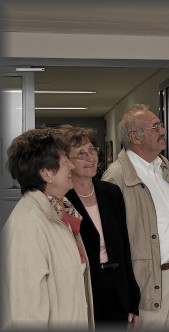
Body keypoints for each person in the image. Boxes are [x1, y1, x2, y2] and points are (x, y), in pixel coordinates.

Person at [102, 104, 169, 329]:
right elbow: (112, 240)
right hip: (146, 280)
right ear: (136, 137)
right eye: (156, 127)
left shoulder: (162, 165)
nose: (163, 131)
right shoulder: (116, 176)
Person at [0, 128, 94, 329]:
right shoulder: (27, 226)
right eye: (64, 161)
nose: (71, 165)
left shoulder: (60, 213)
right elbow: (25, 314)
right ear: (46, 173)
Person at [59, 125, 140, 329]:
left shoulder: (111, 193)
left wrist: (133, 298)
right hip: (85, 287)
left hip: (117, 287)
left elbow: (123, 247)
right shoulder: (62, 200)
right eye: (81, 154)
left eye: (92, 150)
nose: (91, 158)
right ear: (66, 162)